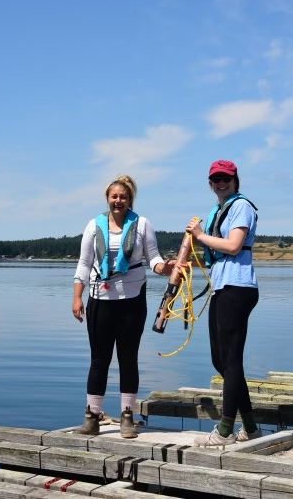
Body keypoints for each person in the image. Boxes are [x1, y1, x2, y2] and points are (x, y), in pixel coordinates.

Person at [72, 175, 175, 439]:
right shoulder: (94, 226)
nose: (118, 201)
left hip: (132, 302)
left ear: (130, 199)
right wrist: (77, 297)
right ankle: (92, 417)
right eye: (114, 196)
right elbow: (84, 264)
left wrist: (165, 269)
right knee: (99, 360)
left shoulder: (142, 224)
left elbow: (153, 258)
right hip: (100, 301)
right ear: (108, 199)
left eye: (123, 197)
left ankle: (127, 416)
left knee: (128, 359)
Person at [185, 160, 261, 447]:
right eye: (215, 179)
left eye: (225, 178)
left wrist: (201, 235)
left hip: (238, 286)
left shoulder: (241, 206)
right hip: (222, 287)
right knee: (221, 360)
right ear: (210, 183)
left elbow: (233, 245)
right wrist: (180, 263)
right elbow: (211, 254)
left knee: (231, 360)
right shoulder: (217, 209)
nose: (221, 183)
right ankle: (251, 427)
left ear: (235, 180)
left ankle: (225, 431)